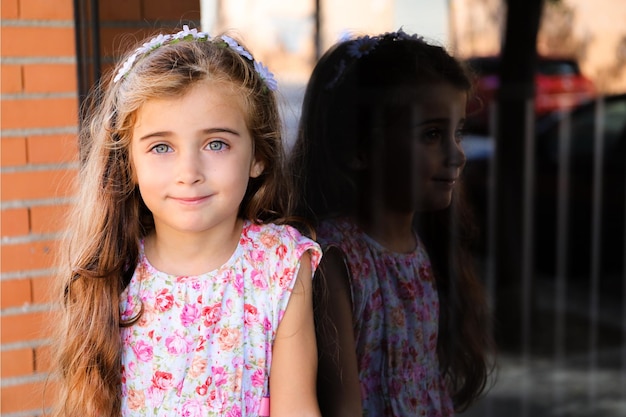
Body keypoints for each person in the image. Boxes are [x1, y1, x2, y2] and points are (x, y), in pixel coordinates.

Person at [50, 26, 322, 417]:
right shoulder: (113, 268)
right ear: (130, 163)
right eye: (161, 146)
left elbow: (297, 408)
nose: (188, 171)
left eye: (216, 144)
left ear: (258, 155)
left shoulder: (279, 263)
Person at [289, 29, 495, 416]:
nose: (457, 155)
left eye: (457, 133)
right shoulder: (333, 258)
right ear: (359, 149)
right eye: (432, 134)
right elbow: (342, 407)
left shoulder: (423, 246)